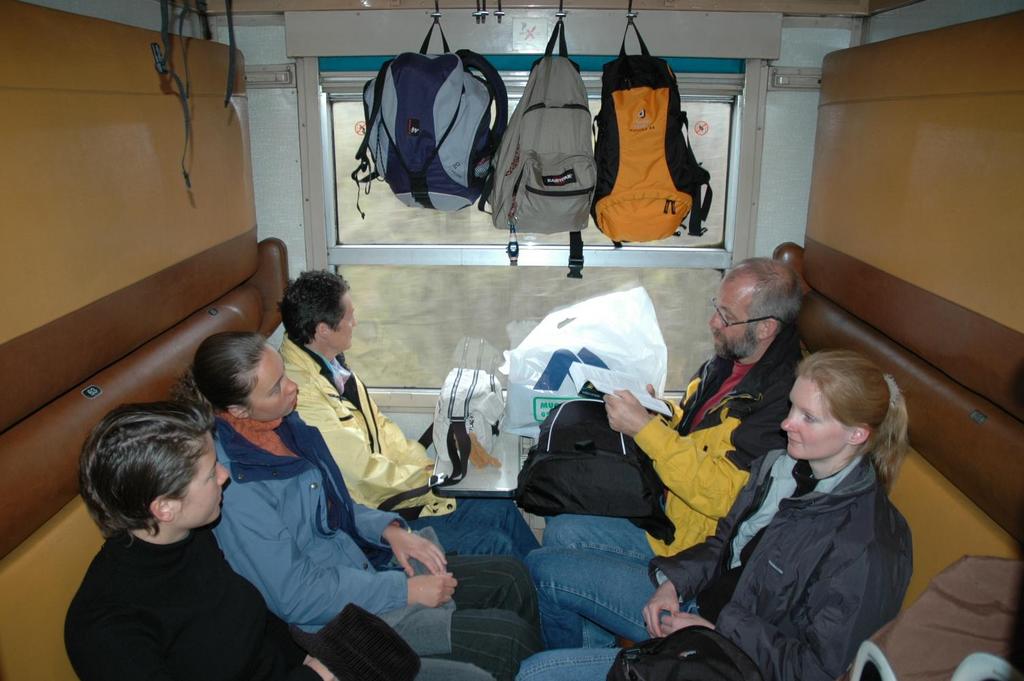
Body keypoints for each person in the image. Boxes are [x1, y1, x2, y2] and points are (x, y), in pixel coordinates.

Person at [515, 350, 913, 681]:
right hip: (698, 607)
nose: (786, 422)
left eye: (808, 417)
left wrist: (718, 630)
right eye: (792, 406)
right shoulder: (779, 468)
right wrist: (672, 583)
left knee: (534, 674)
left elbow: (819, 671)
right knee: (545, 569)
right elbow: (723, 543)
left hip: (736, 660)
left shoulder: (867, 546)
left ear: (856, 434)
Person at [182, 331, 541, 681]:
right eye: (275, 388)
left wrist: (388, 529)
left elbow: (336, 502)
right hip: (337, 620)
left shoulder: (284, 425)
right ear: (237, 410)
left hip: (362, 563)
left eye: (285, 376)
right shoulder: (237, 486)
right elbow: (296, 596)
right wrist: (403, 591)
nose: (292, 388)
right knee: (507, 640)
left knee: (511, 576)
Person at [527, 257, 803, 648]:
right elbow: (701, 436)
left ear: (766, 328)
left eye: (726, 316)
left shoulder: (781, 405)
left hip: (693, 564)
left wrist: (646, 429)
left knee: (543, 570)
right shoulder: (729, 363)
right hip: (669, 526)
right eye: (715, 307)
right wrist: (657, 411)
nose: (713, 323)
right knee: (560, 527)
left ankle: (571, 661)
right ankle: (592, 648)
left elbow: (729, 498)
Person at [64, 400, 337, 681]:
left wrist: (306, 658)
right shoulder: (108, 628)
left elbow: (251, 623)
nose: (224, 475)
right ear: (165, 508)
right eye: (210, 474)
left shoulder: (192, 538)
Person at [278, 270, 538, 558]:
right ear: (323, 330)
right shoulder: (301, 392)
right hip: (373, 514)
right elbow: (360, 473)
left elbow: (383, 428)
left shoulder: (329, 365)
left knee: (498, 507)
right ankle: (542, 589)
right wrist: (430, 484)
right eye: (348, 316)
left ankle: (544, 581)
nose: (355, 322)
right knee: (495, 542)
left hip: (393, 492)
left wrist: (425, 469)